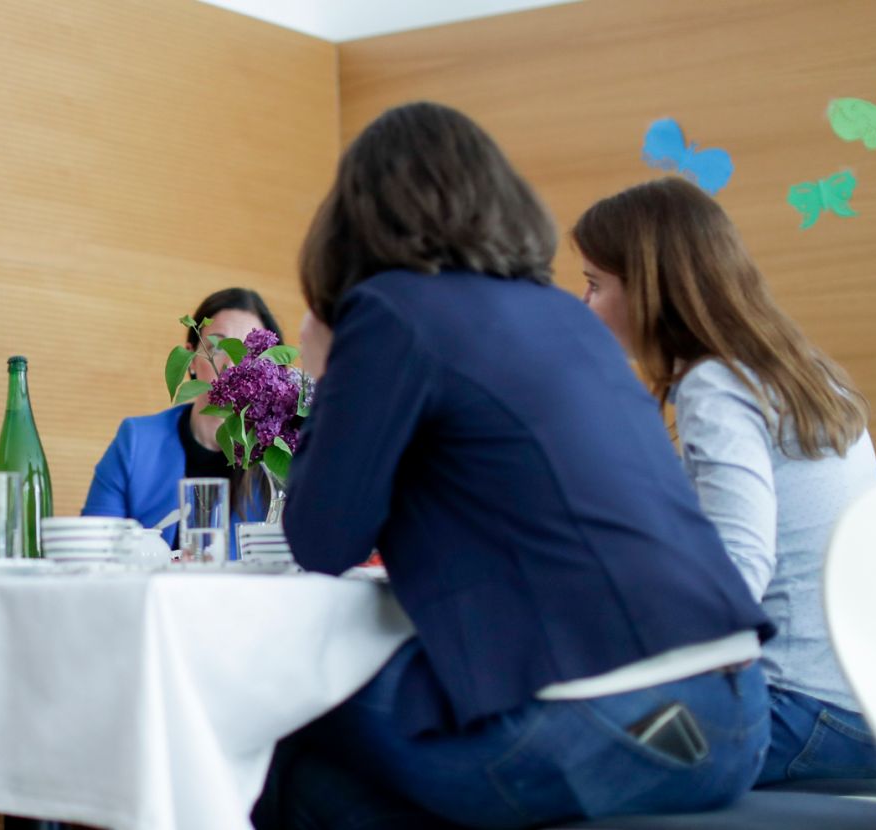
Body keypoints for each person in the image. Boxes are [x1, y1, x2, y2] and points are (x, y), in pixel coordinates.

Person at [254, 103, 773, 828]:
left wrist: (325, 373)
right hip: (738, 718)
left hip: (607, 724)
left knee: (272, 715)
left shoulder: (388, 311)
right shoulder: (566, 317)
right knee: (343, 778)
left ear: (356, 215)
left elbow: (321, 540)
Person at [574, 177, 876, 785]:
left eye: (594, 284)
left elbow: (740, 566)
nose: (583, 303)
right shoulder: (802, 372)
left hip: (792, 708)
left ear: (649, 287)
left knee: (545, 745)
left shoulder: (716, 385)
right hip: (872, 703)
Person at [82, 288, 284, 548]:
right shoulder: (136, 441)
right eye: (218, 347)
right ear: (191, 359)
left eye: (248, 354)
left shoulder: (279, 456)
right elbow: (93, 548)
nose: (231, 366)